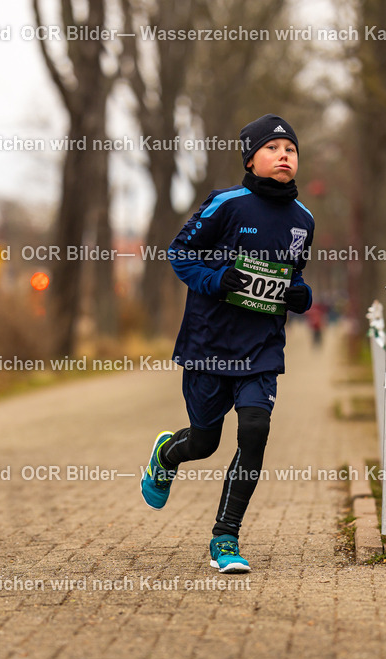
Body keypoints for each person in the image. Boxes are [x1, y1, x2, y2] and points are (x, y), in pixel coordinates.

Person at [140, 114, 315, 573]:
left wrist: (302, 295)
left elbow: (294, 278)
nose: (284, 156)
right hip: (210, 343)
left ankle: (225, 537)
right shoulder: (226, 204)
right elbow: (180, 253)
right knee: (204, 442)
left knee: (255, 431)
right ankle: (166, 454)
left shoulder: (304, 219)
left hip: (262, 348)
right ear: (251, 158)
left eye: (291, 149)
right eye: (273, 148)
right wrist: (218, 279)